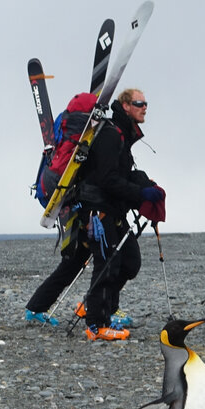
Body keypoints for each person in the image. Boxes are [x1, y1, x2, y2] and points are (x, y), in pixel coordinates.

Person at [78, 88, 164, 341]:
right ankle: (97, 324)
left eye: (146, 103)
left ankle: (96, 306)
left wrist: (143, 182)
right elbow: (106, 178)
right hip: (98, 211)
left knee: (129, 262)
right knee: (108, 264)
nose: (145, 107)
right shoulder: (111, 134)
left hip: (113, 210)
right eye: (139, 103)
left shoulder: (122, 134)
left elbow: (121, 173)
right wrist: (140, 193)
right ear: (125, 106)